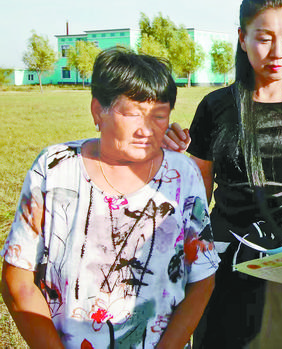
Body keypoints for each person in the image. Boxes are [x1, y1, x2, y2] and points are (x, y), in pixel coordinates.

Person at [165, 0, 282, 348]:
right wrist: (166, 154)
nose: (278, 52)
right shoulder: (215, 107)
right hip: (226, 263)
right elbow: (198, 199)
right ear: (242, 38)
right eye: (264, 38)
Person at [1, 48, 219, 348]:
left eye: (159, 116)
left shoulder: (183, 175)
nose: (146, 130)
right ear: (97, 111)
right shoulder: (55, 169)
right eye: (132, 113)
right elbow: (18, 281)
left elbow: (202, 280)